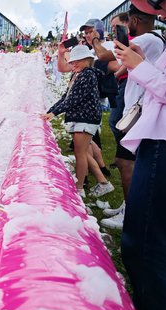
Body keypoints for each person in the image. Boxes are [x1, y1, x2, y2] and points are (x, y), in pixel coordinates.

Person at [113, 0, 166, 310]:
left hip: (162, 144)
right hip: (157, 140)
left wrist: (140, 67)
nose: (159, 11)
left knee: (145, 243)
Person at [41, 45, 114, 198]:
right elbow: (65, 97)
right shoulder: (77, 74)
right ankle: (103, 183)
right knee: (83, 152)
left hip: (85, 118)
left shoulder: (87, 75)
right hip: (81, 117)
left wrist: (54, 113)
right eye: (72, 62)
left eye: (75, 61)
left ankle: (79, 188)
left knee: (80, 153)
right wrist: (49, 111)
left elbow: (74, 99)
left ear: (86, 60)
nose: (72, 64)